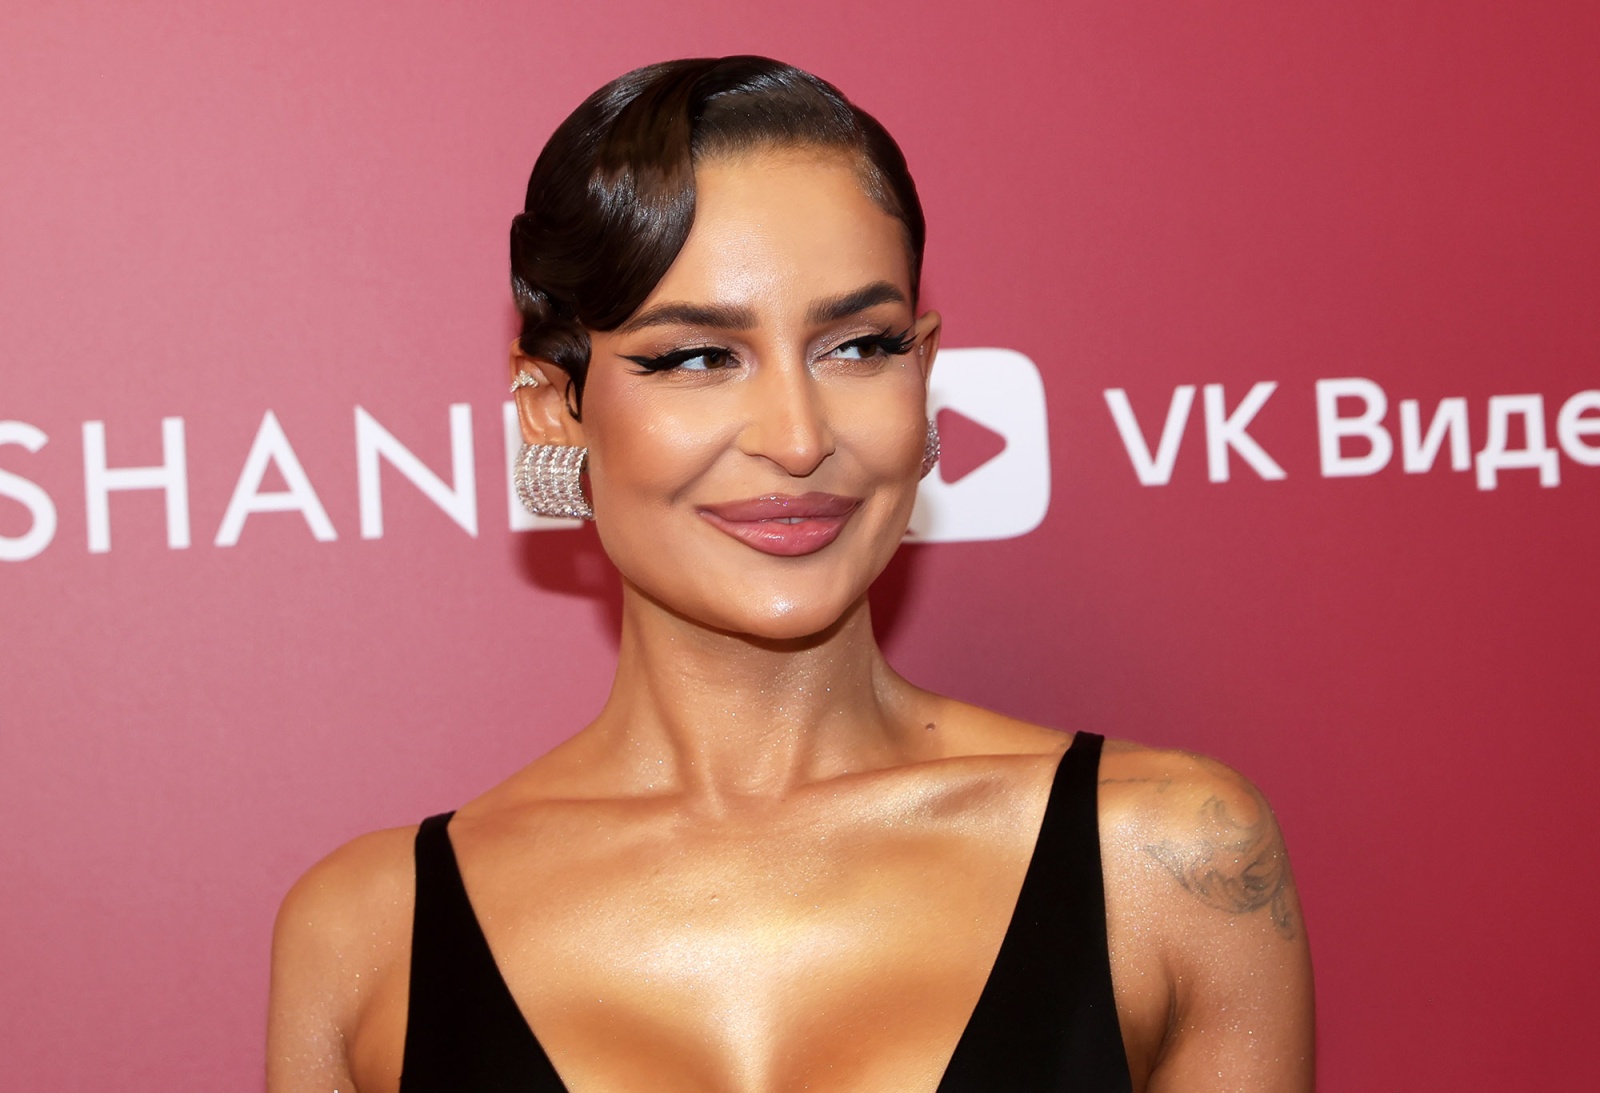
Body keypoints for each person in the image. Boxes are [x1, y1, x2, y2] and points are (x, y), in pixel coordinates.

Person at [266, 56, 1314, 1092]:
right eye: (697, 357)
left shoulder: (1168, 862)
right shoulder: (370, 939)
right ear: (554, 407)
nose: (799, 437)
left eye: (856, 346)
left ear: (924, 370)